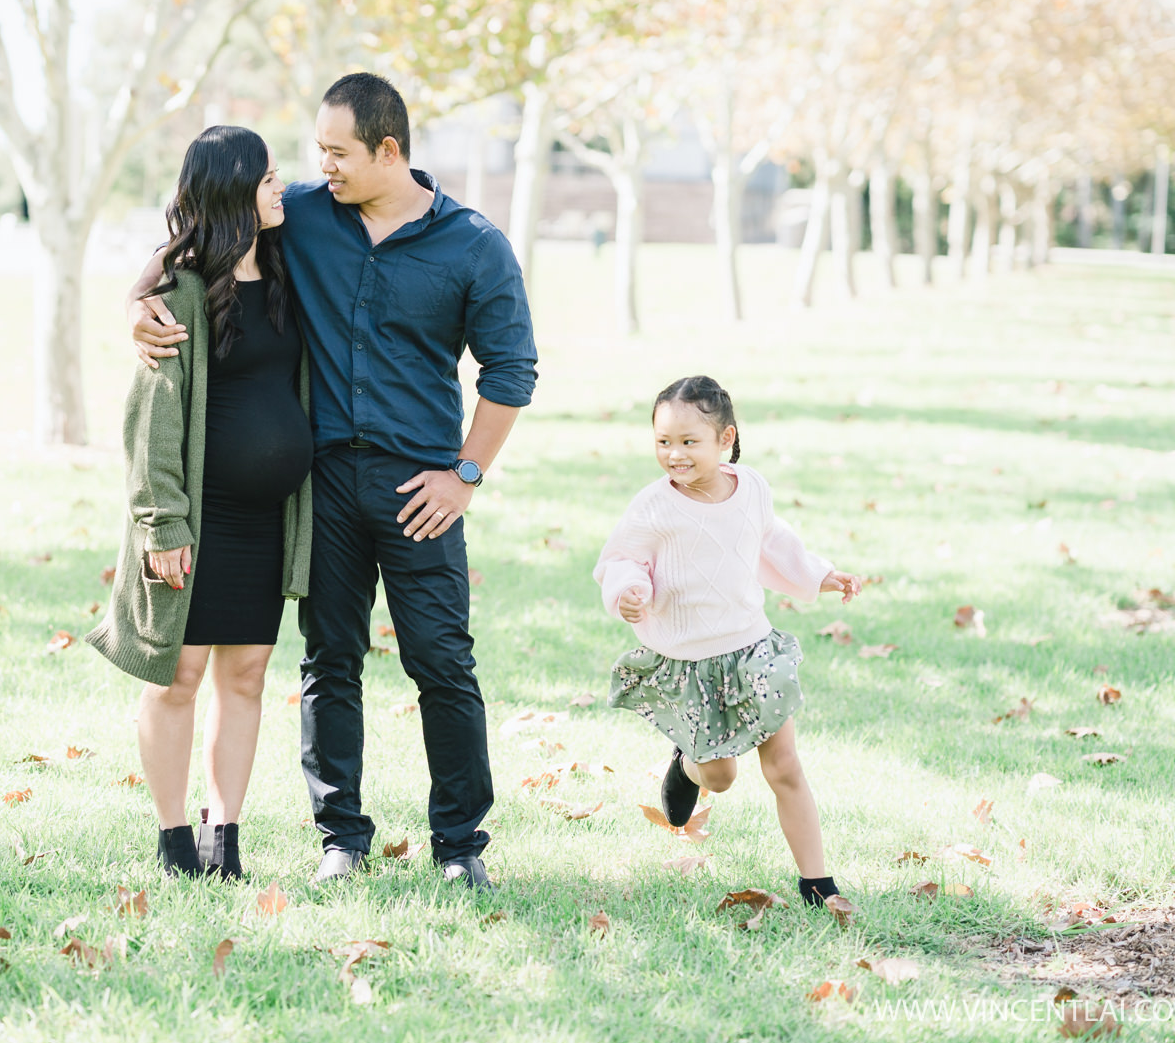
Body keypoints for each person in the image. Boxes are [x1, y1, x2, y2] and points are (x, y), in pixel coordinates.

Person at [130, 74, 538, 890]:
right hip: (323, 486)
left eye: (337, 151)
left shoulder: (474, 244)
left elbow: (512, 369)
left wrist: (464, 474)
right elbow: (197, 242)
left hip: (422, 486)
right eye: (320, 151)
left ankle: (459, 845)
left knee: (443, 662)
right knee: (330, 659)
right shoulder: (308, 216)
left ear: (389, 151)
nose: (323, 167)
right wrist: (136, 304)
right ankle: (340, 837)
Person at [87, 125, 314, 881]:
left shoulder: (290, 259)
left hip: (263, 523)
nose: (283, 188)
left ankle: (227, 836)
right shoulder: (178, 291)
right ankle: (174, 834)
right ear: (234, 189)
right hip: (195, 517)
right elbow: (150, 423)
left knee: (246, 673)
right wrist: (163, 524)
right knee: (178, 676)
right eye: (269, 177)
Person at [592, 376, 862, 907]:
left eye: (689, 441)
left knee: (783, 765)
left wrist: (819, 575)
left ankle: (816, 882)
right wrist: (628, 590)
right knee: (720, 777)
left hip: (750, 650)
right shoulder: (653, 507)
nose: (675, 454)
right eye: (663, 442)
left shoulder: (752, 489)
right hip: (691, 662)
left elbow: (772, 542)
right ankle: (688, 765)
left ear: (726, 439)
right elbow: (621, 560)